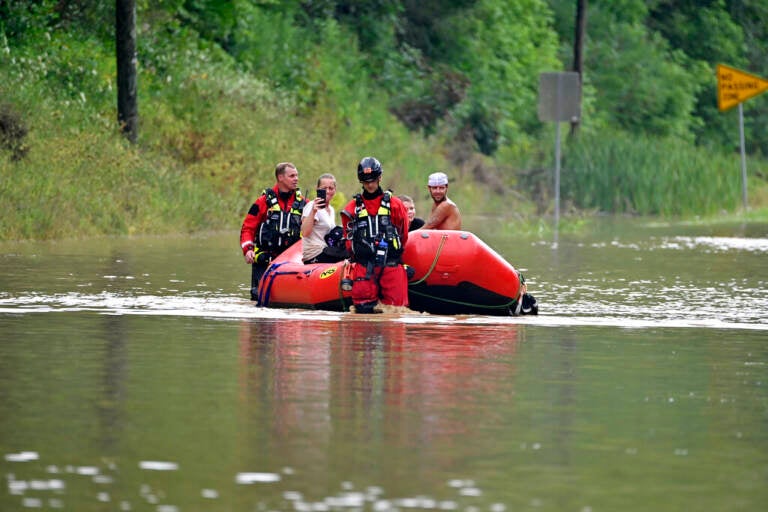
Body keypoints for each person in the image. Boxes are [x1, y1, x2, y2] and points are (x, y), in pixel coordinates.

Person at [341, 157, 410, 314]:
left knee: (396, 313)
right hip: (364, 267)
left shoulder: (395, 205)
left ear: (380, 178)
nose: (370, 184)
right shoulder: (351, 209)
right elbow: (348, 241)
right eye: (365, 181)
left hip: (391, 265)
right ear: (361, 181)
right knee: (362, 314)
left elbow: (403, 235)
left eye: (372, 180)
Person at [240, 162, 306, 301]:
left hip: (292, 263)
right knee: (259, 297)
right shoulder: (263, 202)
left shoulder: (304, 203)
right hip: (265, 260)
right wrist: (248, 250)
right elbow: (248, 228)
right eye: (292, 176)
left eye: (297, 175)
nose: (296, 179)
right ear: (280, 178)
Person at [301, 173, 346, 264]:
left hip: (326, 249)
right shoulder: (311, 206)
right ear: (317, 189)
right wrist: (313, 212)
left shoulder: (331, 209)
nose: (328, 191)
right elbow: (304, 233)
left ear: (335, 190)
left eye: (331, 188)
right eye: (324, 188)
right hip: (314, 254)